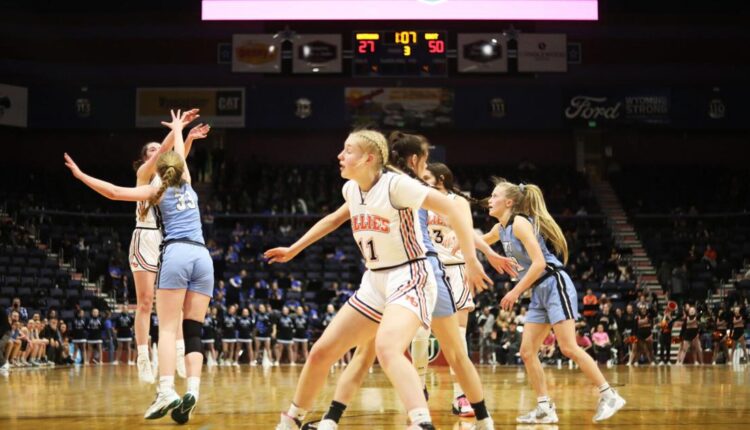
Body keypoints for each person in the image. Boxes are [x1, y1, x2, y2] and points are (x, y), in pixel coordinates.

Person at [265, 129, 492, 430]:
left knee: (388, 348)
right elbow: (332, 220)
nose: (340, 156)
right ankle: (293, 419)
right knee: (322, 351)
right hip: (375, 279)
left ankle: (422, 422)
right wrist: (294, 249)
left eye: (348, 151)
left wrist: (472, 260)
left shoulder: (396, 185)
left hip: (411, 273)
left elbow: (451, 207)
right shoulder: (352, 189)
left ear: (369, 158)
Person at [64, 109, 214, 424]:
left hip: (174, 249)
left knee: (168, 326)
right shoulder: (186, 182)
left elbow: (114, 192)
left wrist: (80, 176)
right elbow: (177, 157)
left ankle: (166, 389)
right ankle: (189, 386)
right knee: (191, 328)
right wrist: (179, 131)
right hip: (201, 255)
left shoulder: (157, 190)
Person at [485, 177, 625, 423]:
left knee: (568, 347)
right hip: (538, 290)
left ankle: (609, 395)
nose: (489, 199)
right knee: (527, 351)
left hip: (554, 282)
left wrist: (515, 291)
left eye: (495, 195)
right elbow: (476, 241)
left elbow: (539, 263)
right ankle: (544, 408)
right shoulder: (500, 229)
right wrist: (451, 232)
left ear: (509, 202)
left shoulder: (519, 223)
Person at [129, 111, 209, 383]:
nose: (157, 152)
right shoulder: (144, 174)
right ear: (145, 158)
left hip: (167, 241)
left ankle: (178, 353)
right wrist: (178, 129)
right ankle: (142, 356)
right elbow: (168, 151)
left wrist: (188, 138)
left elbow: (178, 158)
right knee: (145, 302)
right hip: (144, 237)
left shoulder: (171, 178)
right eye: (151, 150)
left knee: (174, 305)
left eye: (158, 149)